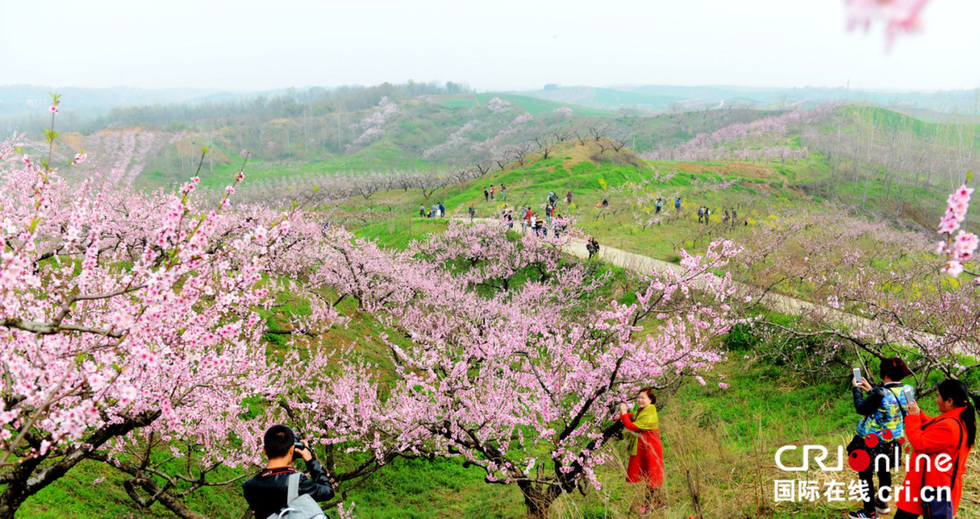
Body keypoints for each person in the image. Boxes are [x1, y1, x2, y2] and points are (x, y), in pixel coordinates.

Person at [892, 379, 977, 519]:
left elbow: (920, 443)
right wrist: (919, 414)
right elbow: (936, 427)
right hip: (937, 483)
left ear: (949, 401)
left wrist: (913, 418)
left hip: (933, 486)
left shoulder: (950, 426)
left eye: (938, 396)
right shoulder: (961, 419)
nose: (936, 399)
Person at [847, 358, 914, 519]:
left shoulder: (880, 393)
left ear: (884, 374)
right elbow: (890, 405)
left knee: (865, 475)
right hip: (894, 441)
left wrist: (856, 389)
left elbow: (861, 408)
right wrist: (871, 391)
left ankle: (869, 512)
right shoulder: (908, 389)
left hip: (871, 442)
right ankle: (882, 503)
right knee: (884, 471)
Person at [242, 425, 334, 519]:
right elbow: (327, 491)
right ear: (291, 450)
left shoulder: (249, 486)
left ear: (264, 451)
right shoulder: (296, 482)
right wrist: (310, 461)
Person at [619, 387, 665, 513]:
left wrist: (623, 413)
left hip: (651, 448)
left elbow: (632, 426)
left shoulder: (649, 414)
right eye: (638, 397)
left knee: (652, 476)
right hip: (646, 447)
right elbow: (633, 416)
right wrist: (622, 417)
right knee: (650, 475)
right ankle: (659, 502)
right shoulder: (644, 411)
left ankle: (649, 506)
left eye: (643, 398)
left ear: (650, 400)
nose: (639, 400)